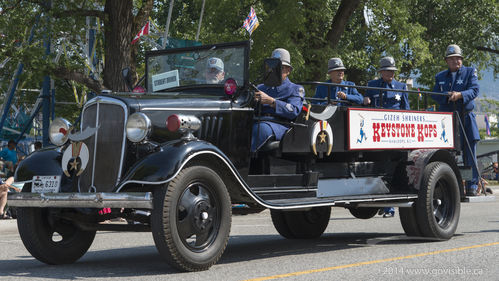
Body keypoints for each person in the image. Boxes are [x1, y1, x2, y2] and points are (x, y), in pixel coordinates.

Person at [431, 44, 480, 196]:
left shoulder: (470, 72)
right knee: (445, 152)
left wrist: (460, 95)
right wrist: (447, 96)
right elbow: (433, 94)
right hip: (447, 119)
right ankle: (448, 185)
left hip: (465, 116)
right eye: (452, 59)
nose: (456, 62)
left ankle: (471, 184)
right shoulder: (440, 76)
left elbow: (474, 90)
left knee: (469, 151)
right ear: (446, 61)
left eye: (458, 59)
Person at [365, 57, 410, 218]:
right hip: (376, 133)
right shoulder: (372, 86)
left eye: (392, 71)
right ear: (381, 72)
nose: (390, 73)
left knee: (393, 169)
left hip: (395, 133)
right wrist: (366, 101)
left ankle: (389, 207)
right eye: (387, 70)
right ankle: (379, 202)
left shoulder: (401, 86)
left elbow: (406, 110)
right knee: (377, 168)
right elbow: (366, 106)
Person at [251, 48, 304, 152]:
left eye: (280, 67)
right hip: (257, 120)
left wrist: (272, 102)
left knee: (259, 130)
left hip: (280, 125)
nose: (275, 70)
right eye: (273, 67)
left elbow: (293, 110)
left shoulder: (295, 89)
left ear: (288, 70)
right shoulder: (260, 87)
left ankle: (244, 165)